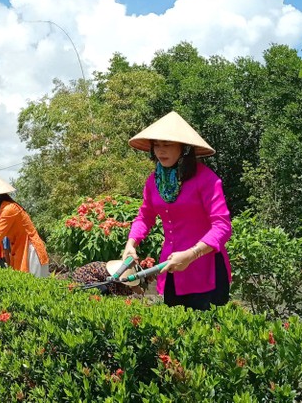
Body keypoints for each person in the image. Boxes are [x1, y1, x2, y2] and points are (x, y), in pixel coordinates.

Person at [121, 111, 232, 310]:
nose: (161, 151)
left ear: (184, 148)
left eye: (168, 144)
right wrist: (131, 243)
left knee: (206, 334)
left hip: (205, 270)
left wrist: (192, 254)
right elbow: (144, 217)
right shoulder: (153, 182)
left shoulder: (206, 179)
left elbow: (222, 226)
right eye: (157, 145)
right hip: (171, 268)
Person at [67, 258, 154, 296]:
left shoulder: (117, 272)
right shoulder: (112, 274)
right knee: (105, 291)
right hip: (84, 276)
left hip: (92, 275)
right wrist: (132, 289)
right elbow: (114, 290)